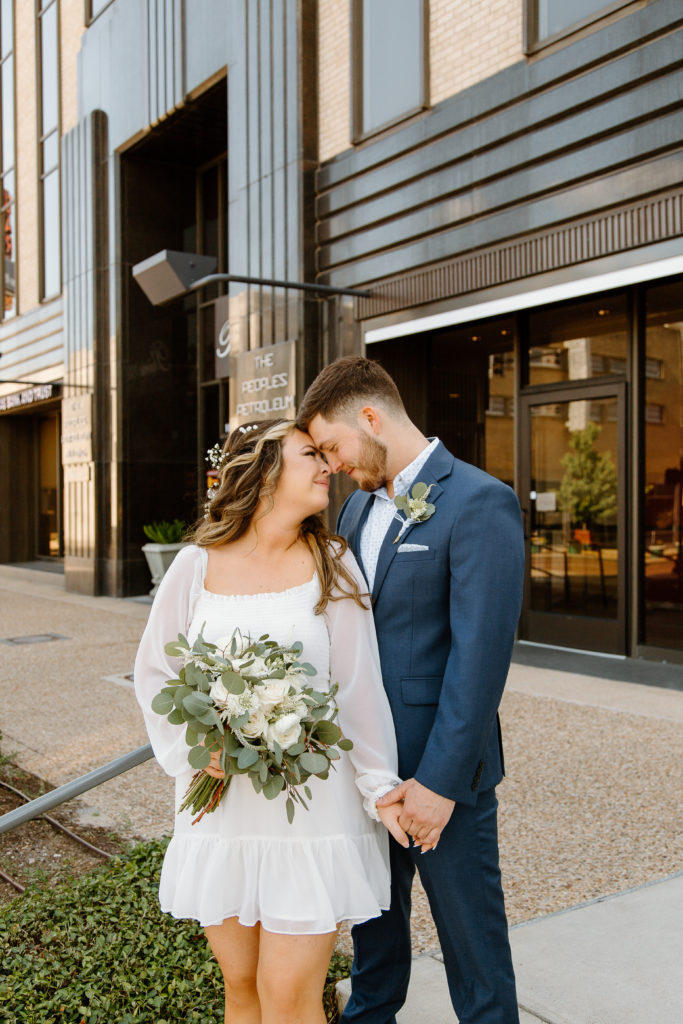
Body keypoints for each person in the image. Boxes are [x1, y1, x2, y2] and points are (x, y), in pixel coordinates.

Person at [134, 418, 408, 1024]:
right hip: (221, 807)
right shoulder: (194, 566)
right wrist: (191, 747)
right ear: (263, 474)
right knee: (242, 989)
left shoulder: (331, 562)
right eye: (309, 454)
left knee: (289, 996)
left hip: (310, 811)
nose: (327, 466)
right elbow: (155, 671)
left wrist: (379, 786)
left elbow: (359, 689)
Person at [298, 357, 525, 1024]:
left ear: (370, 419)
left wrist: (438, 785)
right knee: (372, 959)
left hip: (439, 781)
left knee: (474, 958)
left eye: (333, 446)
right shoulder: (357, 508)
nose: (332, 464)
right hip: (366, 779)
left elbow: (479, 660)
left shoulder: (481, 500)